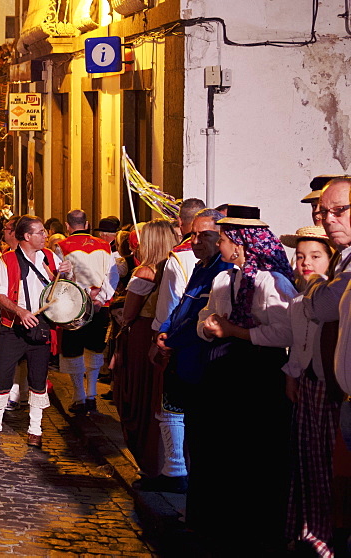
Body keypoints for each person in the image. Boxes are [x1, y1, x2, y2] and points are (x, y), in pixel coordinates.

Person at [194, 205, 297, 553]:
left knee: (253, 451)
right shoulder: (224, 279)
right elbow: (205, 316)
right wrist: (208, 329)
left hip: (258, 376)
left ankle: (254, 529)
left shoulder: (272, 281)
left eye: (222, 239)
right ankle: (218, 523)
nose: (219, 246)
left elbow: (284, 332)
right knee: (220, 448)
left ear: (239, 244)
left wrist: (235, 331)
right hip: (223, 370)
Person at [155, 209, 232, 497]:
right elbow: (182, 305)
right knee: (171, 411)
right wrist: (164, 332)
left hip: (198, 356)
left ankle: (186, 481)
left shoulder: (223, 271)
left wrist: (173, 341)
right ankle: (173, 472)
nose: (196, 241)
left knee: (196, 425)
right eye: (194, 234)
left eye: (205, 235)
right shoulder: (201, 266)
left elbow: (205, 317)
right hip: (179, 351)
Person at [278, 225, 340, 554]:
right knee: (306, 460)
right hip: (307, 385)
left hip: (331, 388)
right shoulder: (299, 299)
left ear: (331, 259)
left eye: (315, 256)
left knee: (329, 464)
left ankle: (327, 534)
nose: (306, 263)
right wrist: (292, 375)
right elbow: (298, 345)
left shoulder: (335, 296)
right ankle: (308, 530)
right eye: (301, 257)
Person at [0, 216, 69, 448]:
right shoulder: (7, 260)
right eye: (40, 232)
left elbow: (60, 290)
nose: (45, 236)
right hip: (13, 328)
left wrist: (65, 274)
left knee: (38, 379)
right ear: (27, 236)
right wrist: (20, 312)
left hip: (41, 325)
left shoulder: (50, 257)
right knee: (2, 377)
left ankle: (35, 429)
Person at [111, 219, 179, 483]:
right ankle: (164, 461)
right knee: (159, 398)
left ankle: (150, 461)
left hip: (140, 337)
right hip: (163, 337)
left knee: (139, 398)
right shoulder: (179, 268)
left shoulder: (144, 272)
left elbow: (128, 313)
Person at [56, 209, 119, 414]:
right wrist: (101, 298)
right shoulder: (104, 245)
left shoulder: (62, 246)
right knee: (94, 348)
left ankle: (79, 397)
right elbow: (113, 275)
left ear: (67, 226)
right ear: (87, 223)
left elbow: (61, 278)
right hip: (100, 306)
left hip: (74, 306)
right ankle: (91, 394)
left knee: (73, 349)